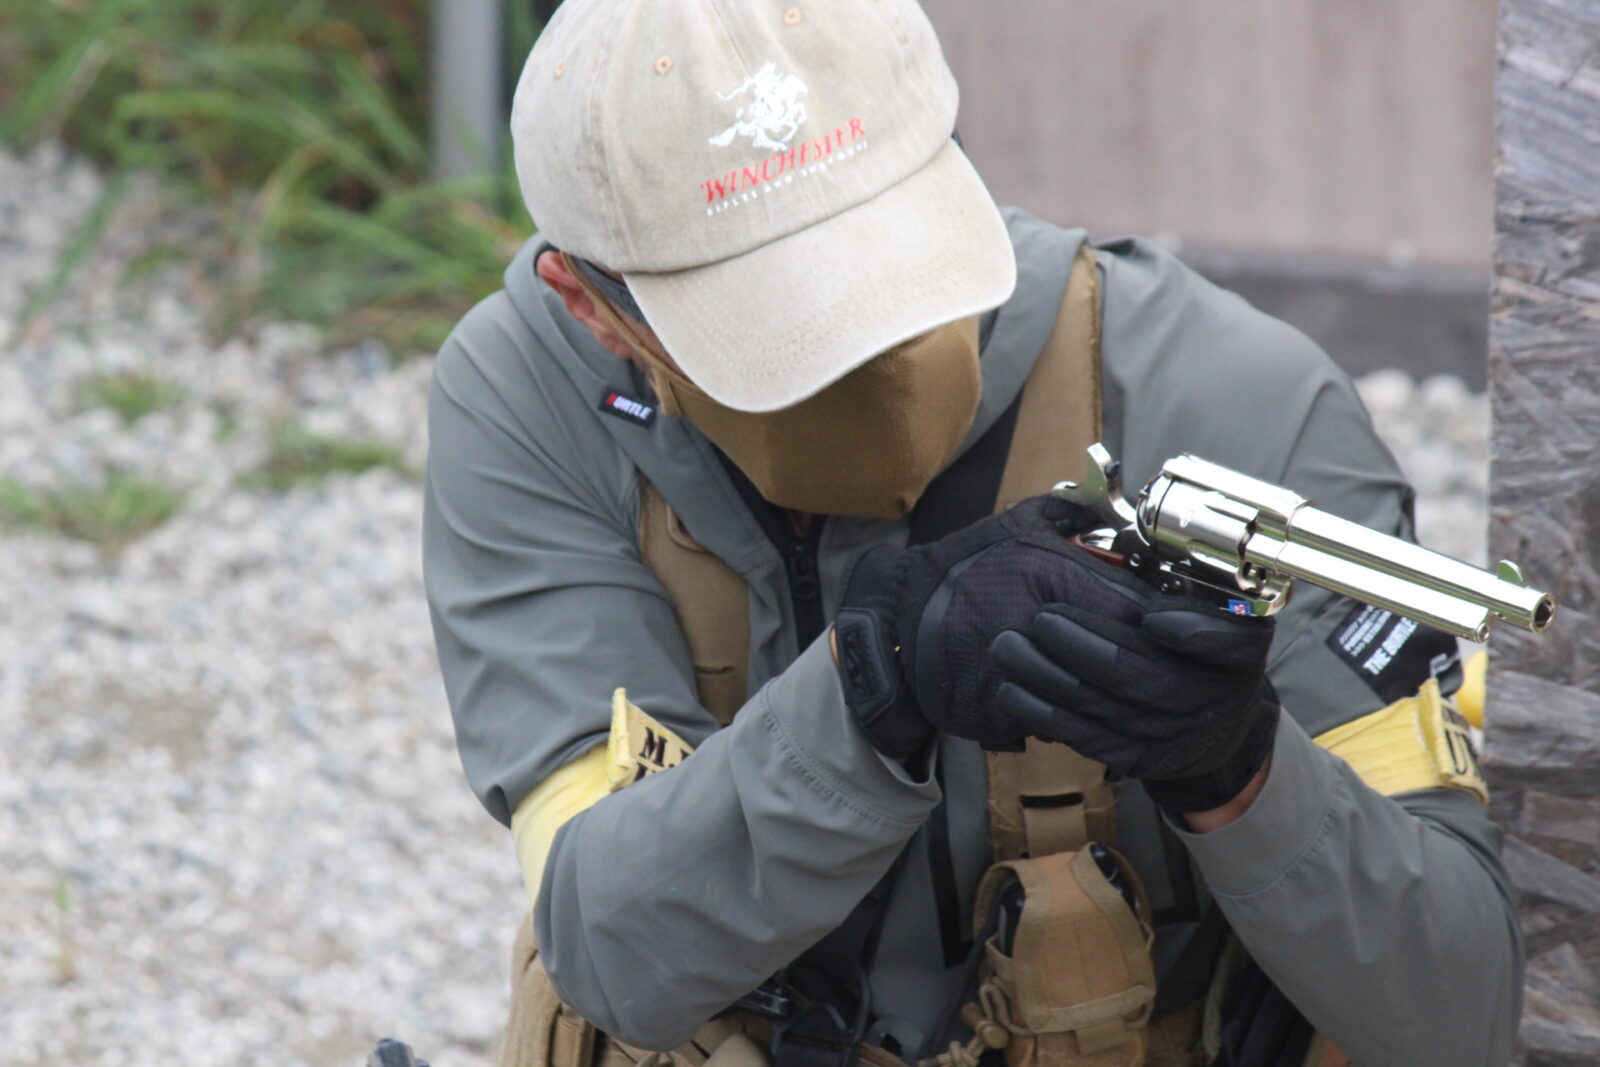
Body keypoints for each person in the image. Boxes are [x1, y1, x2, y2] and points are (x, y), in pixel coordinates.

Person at [422, 1, 1522, 1065]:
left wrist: (1238, 770)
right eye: (773, 327)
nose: (853, 351)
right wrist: (868, 689)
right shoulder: (531, 397)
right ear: (591, 305)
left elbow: (1458, 1018)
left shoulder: (1230, 396)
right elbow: (614, 954)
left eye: (881, 270)